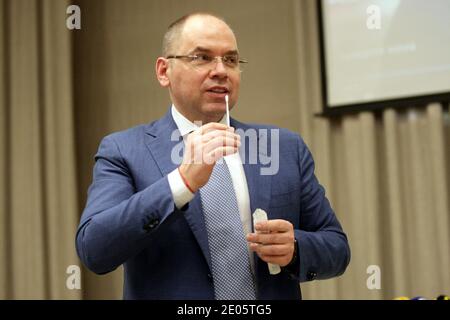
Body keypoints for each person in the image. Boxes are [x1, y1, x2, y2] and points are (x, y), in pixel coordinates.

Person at [76, 12, 350, 300]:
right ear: (163, 71)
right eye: (202, 57)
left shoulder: (283, 148)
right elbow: (95, 250)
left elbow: (337, 248)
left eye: (231, 60)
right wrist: (181, 183)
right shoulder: (124, 150)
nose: (221, 70)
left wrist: (295, 248)